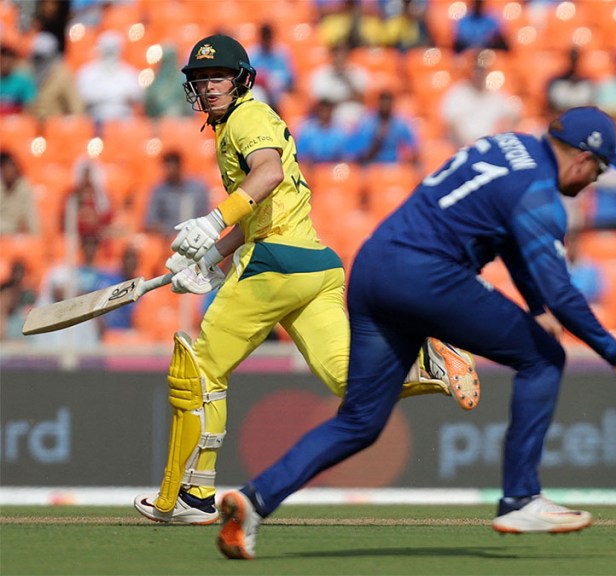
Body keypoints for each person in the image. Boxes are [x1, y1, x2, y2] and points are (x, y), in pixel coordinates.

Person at [214, 106, 616, 559]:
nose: (594, 181)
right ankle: (521, 498)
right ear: (583, 159)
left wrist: (536, 306)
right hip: (426, 276)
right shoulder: (540, 192)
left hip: (372, 270)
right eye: (598, 171)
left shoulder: (514, 146)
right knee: (545, 358)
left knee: (359, 422)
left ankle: (253, 500)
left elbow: (510, 244)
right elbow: (563, 291)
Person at [132, 34, 480, 526]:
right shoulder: (250, 119)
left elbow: (268, 174)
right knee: (349, 380)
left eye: (219, 78)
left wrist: (212, 222)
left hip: (273, 264)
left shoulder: (245, 119)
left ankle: (191, 497)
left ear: (241, 81)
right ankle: (427, 357)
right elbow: (262, 210)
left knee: (201, 372)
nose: (209, 88)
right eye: (201, 80)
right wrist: (210, 256)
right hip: (314, 265)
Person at [143, 150, 210, 237]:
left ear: (179, 166)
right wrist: (168, 232)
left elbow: (204, 216)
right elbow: (151, 221)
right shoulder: (159, 191)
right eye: (167, 167)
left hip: (195, 235)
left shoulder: (197, 188)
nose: (169, 170)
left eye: (172, 166)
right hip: (167, 238)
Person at [28, 31, 85, 121]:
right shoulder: (27, 72)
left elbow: (76, 106)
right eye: (37, 57)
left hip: (54, 128)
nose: (40, 61)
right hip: (31, 126)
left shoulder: (63, 75)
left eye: (43, 57)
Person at [0, 150, 40, 235]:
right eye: (5, 167)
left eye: (11, 166)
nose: (9, 171)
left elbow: (32, 222)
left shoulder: (24, 188)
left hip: (18, 241)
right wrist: (13, 229)